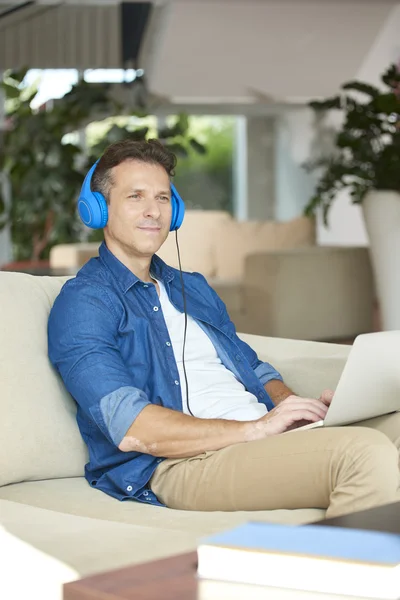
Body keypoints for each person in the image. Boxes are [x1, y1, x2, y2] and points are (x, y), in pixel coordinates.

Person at [48, 139, 400, 517]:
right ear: (99, 209)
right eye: (135, 196)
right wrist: (255, 430)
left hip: (257, 437)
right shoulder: (85, 302)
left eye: (163, 198)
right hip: (180, 464)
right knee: (361, 453)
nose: (153, 211)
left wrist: (296, 409)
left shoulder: (192, 286)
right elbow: (133, 427)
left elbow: (254, 369)